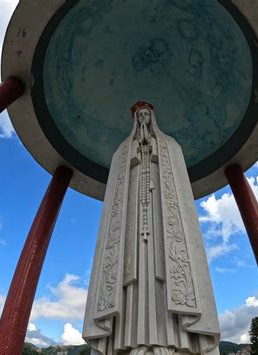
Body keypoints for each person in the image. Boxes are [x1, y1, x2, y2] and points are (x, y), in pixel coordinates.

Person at [83, 102, 220, 354]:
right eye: (139, 116)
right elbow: (116, 184)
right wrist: (135, 153)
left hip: (163, 217)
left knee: (164, 275)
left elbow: (178, 180)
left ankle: (171, 341)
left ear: (153, 118)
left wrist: (155, 149)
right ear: (134, 121)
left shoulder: (170, 146)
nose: (143, 119)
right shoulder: (123, 151)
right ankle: (131, 341)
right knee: (131, 278)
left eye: (146, 115)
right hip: (131, 222)